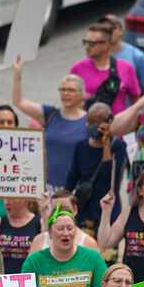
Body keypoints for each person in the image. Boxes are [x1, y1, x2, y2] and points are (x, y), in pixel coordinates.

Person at [21, 207, 107, 287]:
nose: (66, 233)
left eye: (70, 228)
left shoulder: (93, 258)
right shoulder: (33, 262)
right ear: (50, 233)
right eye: (60, 229)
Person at [12, 58, 87, 189]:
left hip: (73, 189)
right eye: (62, 90)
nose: (65, 94)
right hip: (46, 187)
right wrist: (17, 75)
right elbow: (19, 102)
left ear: (82, 95)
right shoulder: (50, 114)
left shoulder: (89, 121)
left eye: (71, 90)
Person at [66, 102, 127, 230]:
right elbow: (72, 177)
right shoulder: (80, 146)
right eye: (90, 121)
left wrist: (106, 144)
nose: (92, 126)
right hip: (84, 207)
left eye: (97, 122)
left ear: (108, 122)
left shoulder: (118, 146)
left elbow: (111, 180)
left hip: (107, 210)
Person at [71, 23, 140, 114]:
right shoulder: (77, 68)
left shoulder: (126, 68)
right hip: (87, 125)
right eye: (85, 42)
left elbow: (135, 98)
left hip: (118, 125)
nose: (86, 47)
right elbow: (69, 100)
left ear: (106, 45)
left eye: (91, 43)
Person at [29, 190, 100, 253]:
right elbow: (29, 267)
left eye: (65, 209)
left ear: (75, 210)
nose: (61, 213)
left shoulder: (88, 243)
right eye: (56, 210)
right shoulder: (39, 240)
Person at [0, 195, 41, 275]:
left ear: (25, 200)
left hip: (26, 278)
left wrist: (45, 211)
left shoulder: (39, 222)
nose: (7, 201)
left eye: (12, 197)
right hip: (1, 278)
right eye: (5, 198)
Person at [99, 14, 144, 91]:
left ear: (121, 31)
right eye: (104, 29)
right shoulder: (96, 55)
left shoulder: (137, 56)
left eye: (112, 28)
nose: (108, 32)